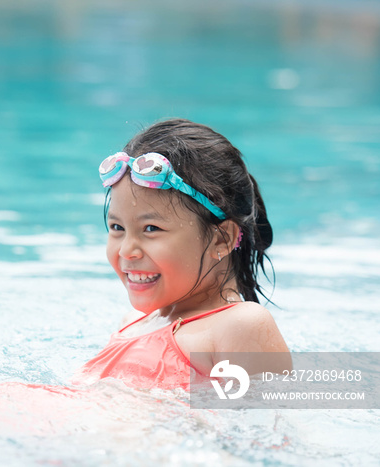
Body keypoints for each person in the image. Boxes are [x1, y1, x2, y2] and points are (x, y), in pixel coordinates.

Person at [71, 119, 291, 390]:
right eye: (117, 227)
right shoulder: (133, 324)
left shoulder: (238, 326)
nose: (127, 250)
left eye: (151, 228)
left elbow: (266, 428)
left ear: (221, 239)